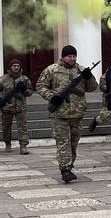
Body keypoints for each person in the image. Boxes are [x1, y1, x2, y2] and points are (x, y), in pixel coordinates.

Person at [37, 45, 98, 183]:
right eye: (69, 56)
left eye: (74, 56)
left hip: (77, 113)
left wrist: (89, 78)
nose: (72, 59)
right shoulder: (52, 70)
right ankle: (65, 169)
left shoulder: (81, 70)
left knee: (73, 143)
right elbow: (40, 86)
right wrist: (52, 96)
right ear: (63, 56)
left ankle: (69, 166)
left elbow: (92, 88)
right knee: (63, 143)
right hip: (59, 114)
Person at [0, 60, 31, 155]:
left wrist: (24, 90)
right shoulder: (3, 79)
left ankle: (23, 146)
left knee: (23, 127)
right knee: (6, 127)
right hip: (7, 107)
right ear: (10, 67)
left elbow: (30, 92)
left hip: (20, 107)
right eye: (14, 66)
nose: (16, 67)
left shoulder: (24, 79)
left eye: (18, 66)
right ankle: (7, 144)